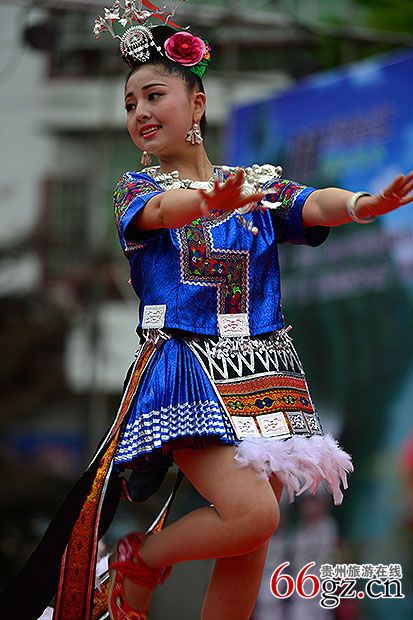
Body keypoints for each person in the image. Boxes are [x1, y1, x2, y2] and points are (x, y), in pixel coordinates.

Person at [3, 3, 413, 620]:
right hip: (185, 367)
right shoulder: (138, 190)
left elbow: (310, 203)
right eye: (130, 104)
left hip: (263, 368)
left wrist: (361, 205)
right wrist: (206, 201)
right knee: (253, 515)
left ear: (197, 104)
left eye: (154, 96)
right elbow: (164, 214)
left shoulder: (255, 184)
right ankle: (138, 559)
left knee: (249, 547)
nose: (139, 113)